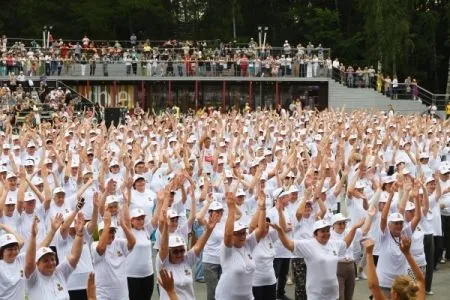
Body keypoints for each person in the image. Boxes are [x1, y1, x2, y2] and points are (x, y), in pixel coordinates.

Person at [270, 218, 365, 300]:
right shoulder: (308, 245)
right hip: (316, 295)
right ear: (315, 233)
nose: (326, 233)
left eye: (327, 230)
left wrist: (354, 228)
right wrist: (280, 231)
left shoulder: (334, 244)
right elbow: (289, 244)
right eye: (322, 231)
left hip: (333, 294)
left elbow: (346, 243)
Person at [156, 188, 218, 300]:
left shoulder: (186, 258)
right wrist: (165, 223)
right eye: (175, 251)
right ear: (169, 251)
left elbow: (198, 246)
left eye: (181, 250)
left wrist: (208, 231)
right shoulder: (164, 262)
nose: (180, 253)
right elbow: (163, 248)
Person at [215, 191, 266, 300]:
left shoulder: (247, 244)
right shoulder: (227, 249)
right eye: (237, 233)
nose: (242, 236)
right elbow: (228, 234)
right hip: (227, 297)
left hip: (247, 297)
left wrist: (262, 208)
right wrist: (231, 208)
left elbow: (261, 230)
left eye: (243, 232)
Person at [25, 214, 85, 299]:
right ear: (37, 263)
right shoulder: (33, 277)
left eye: (52, 259)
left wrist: (79, 234)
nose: (50, 263)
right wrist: (33, 237)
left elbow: (74, 257)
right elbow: (30, 263)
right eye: (45, 261)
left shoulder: (59, 273)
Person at [91, 209, 136, 300]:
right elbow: (101, 249)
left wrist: (123, 226)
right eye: (108, 231)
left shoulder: (119, 243)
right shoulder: (94, 245)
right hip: (103, 295)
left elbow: (132, 242)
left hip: (122, 294)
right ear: (100, 233)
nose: (111, 234)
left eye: (113, 231)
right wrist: (107, 224)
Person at [0, 226, 25, 300]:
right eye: (10, 249)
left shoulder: (20, 259)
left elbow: (21, 242)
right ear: (2, 251)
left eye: (15, 249)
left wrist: (4, 226)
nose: (14, 252)